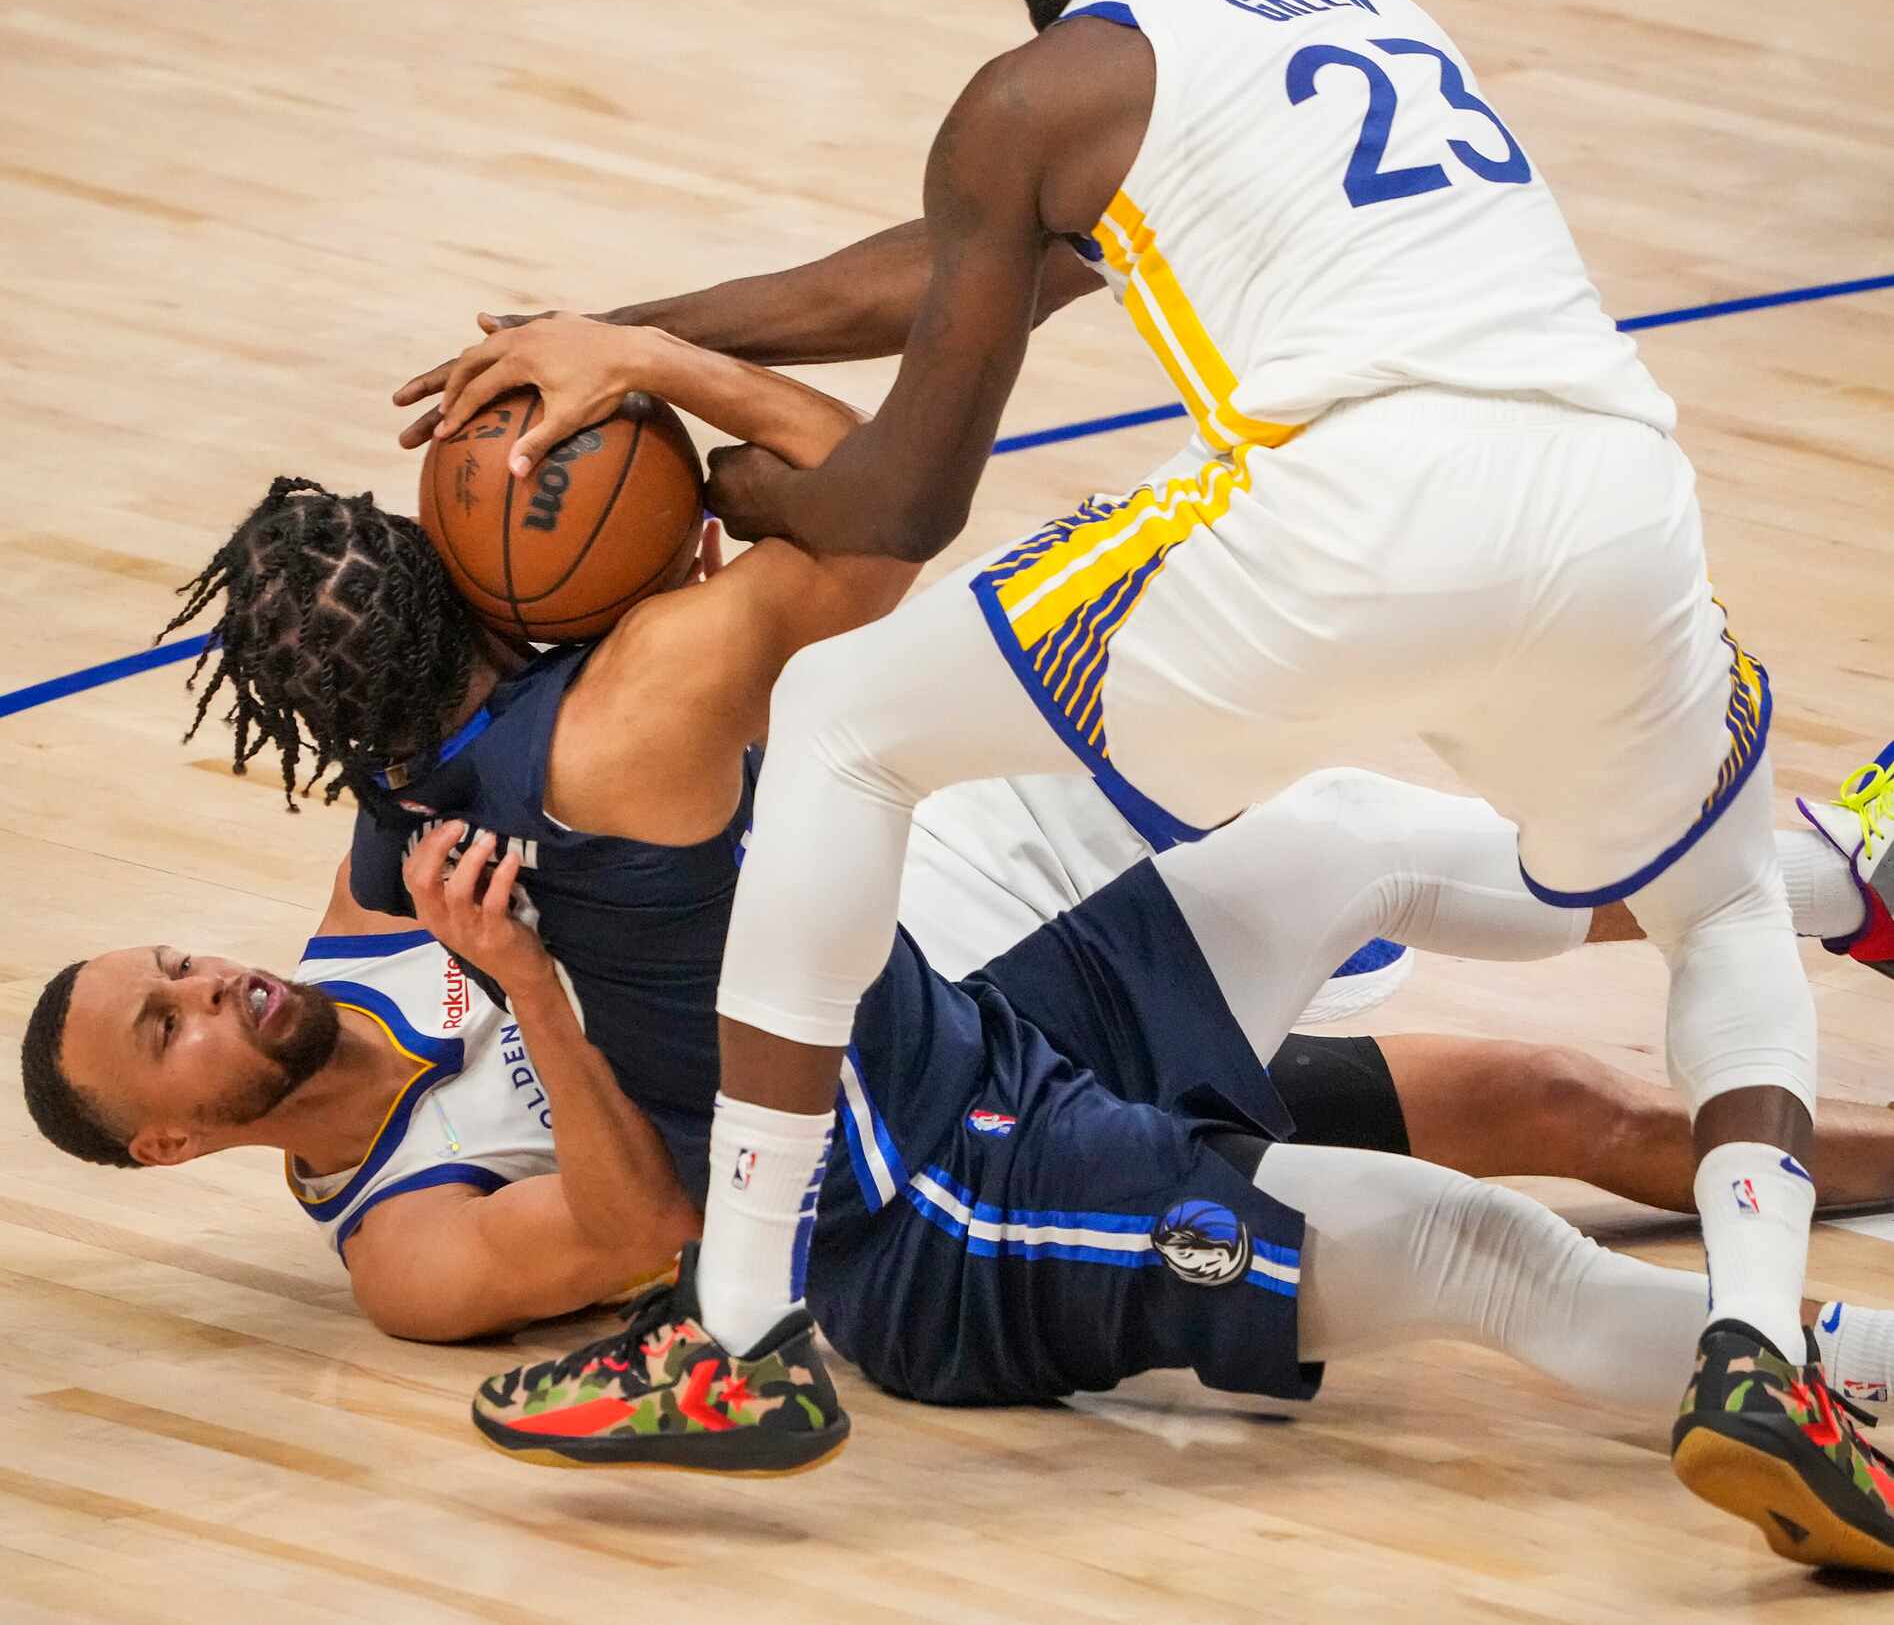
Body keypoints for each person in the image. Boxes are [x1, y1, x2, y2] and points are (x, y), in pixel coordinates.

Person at [393, 0, 1894, 1555]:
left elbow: (891, 505)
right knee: (1718, 901)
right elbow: (963, 267)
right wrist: (635, 330)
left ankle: (737, 1330)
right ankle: (1759, 1342)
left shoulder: (1042, 82)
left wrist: (715, 484)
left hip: (1354, 508)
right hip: (1611, 491)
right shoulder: (1349, 1)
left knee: (854, 719)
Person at [26, 777, 1894, 1568]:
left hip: (974, 1016)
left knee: (1556, 1083)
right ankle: (1828, 1358)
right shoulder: (405, 1249)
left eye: (176, 964)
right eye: (167, 1029)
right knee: (1485, 1249)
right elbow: (654, 1224)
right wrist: (527, 979)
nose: (212, 985)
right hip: (937, 1192)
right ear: (176, 1139)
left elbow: (453, 698)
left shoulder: (360, 918)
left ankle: (1846, 871)